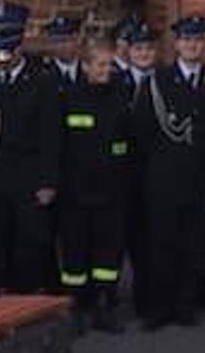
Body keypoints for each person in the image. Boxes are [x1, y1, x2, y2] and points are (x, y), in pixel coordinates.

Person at [0, 1, 63, 299]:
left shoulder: (41, 75)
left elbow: (50, 134)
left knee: (27, 245)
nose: (2, 54)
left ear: (21, 42)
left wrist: (48, 180)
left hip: (27, 172)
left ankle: (22, 306)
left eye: (9, 45)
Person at [133, 15, 205, 329]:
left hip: (200, 178)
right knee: (161, 246)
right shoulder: (157, 81)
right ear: (177, 45)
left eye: (198, 41)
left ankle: (185, 305)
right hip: (163, 178)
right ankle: (159, 308)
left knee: (194, 247)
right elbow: (143, 133)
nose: (192, 46)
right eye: (187, 40)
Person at [57, 40, 133, 334]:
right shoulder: (70, 97)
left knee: (108, 255)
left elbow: (129, 142)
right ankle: (76, 307)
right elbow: (60, 144)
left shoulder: (120, 96)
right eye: (100, 65)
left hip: (111, 190)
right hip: (75, 192)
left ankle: (106, 305)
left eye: (109, 65)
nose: (106, 70)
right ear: (85, 66)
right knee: (75, 253)